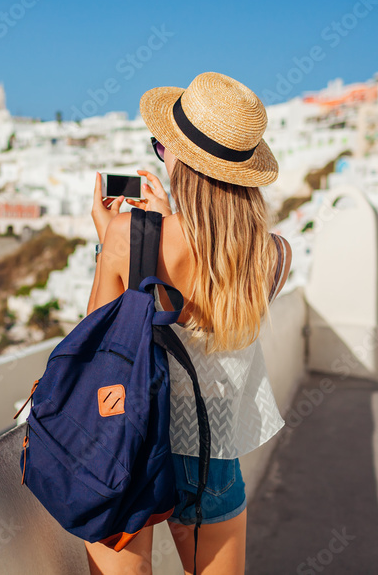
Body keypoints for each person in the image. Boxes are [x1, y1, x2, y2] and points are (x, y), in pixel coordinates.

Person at [84, 72, 293, 575]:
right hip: (211, 450)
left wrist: (113, 236)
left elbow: (96, 341)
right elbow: (210, 277)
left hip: (129, 442)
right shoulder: (275, 255)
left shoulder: (133, 237)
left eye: (162, 147)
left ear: (180, 160)